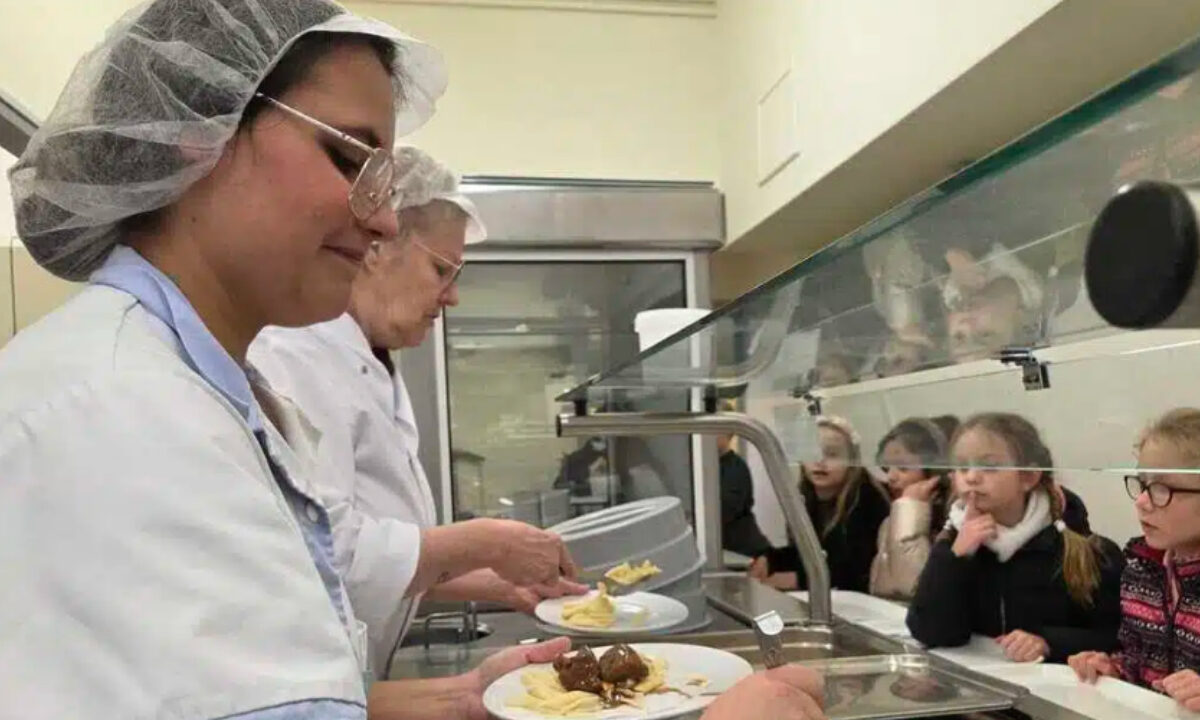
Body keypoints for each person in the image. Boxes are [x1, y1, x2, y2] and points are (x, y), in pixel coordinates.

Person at [249, 147, 586, 677]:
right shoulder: (297, 354)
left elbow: (386, 564)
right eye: (440, 270)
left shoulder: (371, 360)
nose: (450, 297)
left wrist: (496, 583)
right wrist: (485, 542)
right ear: (377, 247)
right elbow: (326, 556)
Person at [907, 413, 1124, 664]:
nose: (971, 477)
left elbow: (1117, 636)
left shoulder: (1087, 551)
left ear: (1028, 477)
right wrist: (956, 558)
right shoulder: (953, 543)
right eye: (962, 467)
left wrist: (1048, 643)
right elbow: (930, 632)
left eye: (989, 467)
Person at [1069, 409, 1200, 712]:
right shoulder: (1141, 568)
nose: (1141, 502)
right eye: (1142, 484)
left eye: (1161, 488)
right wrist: (1111, 669)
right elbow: (1139, 665)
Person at [749, 416, 891, 592]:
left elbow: (858, 568)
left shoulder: (868, 498)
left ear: (852, 460)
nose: (819, 461)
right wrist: (771, 560)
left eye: (832, 454)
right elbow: (809, 553)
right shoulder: (806, 496)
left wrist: (799, 580)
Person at [717, 428, 772, 558]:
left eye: (715, 431)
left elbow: (725, 510)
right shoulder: (708, 466)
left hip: (746, 552)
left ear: (728, 436)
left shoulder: (736, 467)